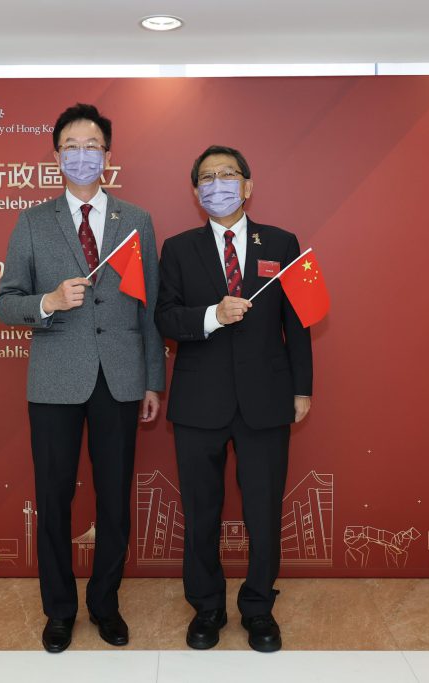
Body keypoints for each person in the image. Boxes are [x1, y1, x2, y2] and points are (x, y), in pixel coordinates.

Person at [0, 103, 164, 653]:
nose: (82, 153)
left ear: (108, 155)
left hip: (119, 378)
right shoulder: (33, 221)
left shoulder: (135, 220)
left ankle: (105, 603)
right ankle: (60, 611)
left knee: (115, 498)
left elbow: (150, 310)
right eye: (71, 145)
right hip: (54, 381)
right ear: (56, 155)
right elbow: (5, 303)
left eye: (92, 144)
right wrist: (46, 301)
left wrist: (152, 381)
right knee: (54, 497)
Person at [155, 145, 313, 653]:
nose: (217, 183)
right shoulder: (178, 248)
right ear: (196, 191)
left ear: (247, 185)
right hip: (200, 402)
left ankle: (259, 608)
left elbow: (300, 323)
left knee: (263, 511)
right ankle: (207, 607)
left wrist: (302, 388)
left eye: (228, 175)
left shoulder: (283, 243)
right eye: (207, 177)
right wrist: (211, 316)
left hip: (266, 399)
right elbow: (165, 317)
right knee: (201, 511)